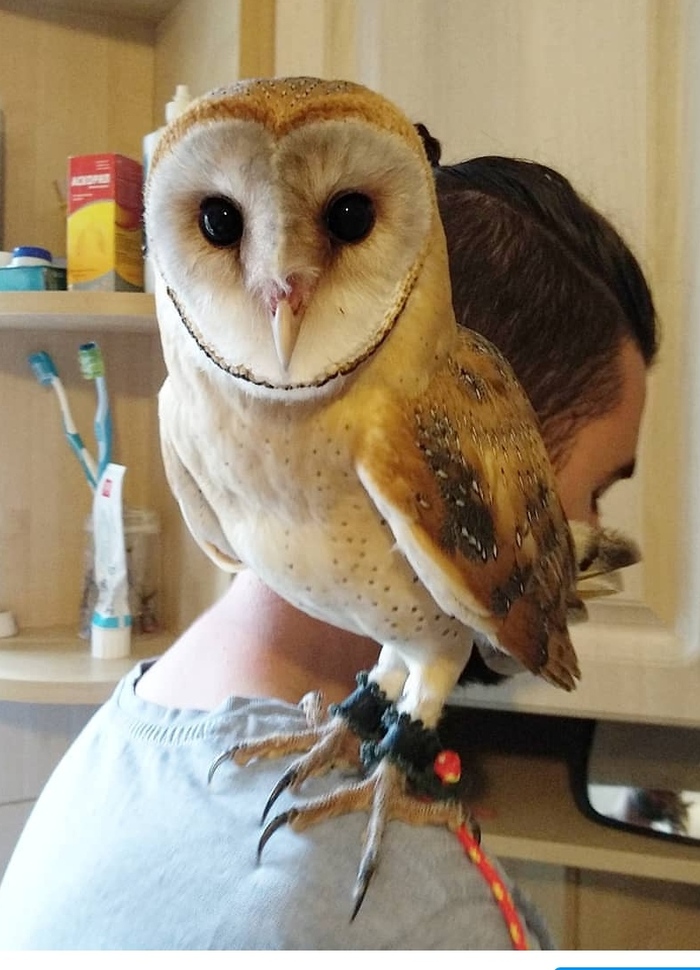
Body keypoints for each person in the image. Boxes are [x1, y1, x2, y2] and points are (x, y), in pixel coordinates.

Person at [0, 150, 658, 950]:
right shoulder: (417, 917)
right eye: (595, 488)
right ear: (489, 454)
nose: (587, 527)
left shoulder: (123, 745)